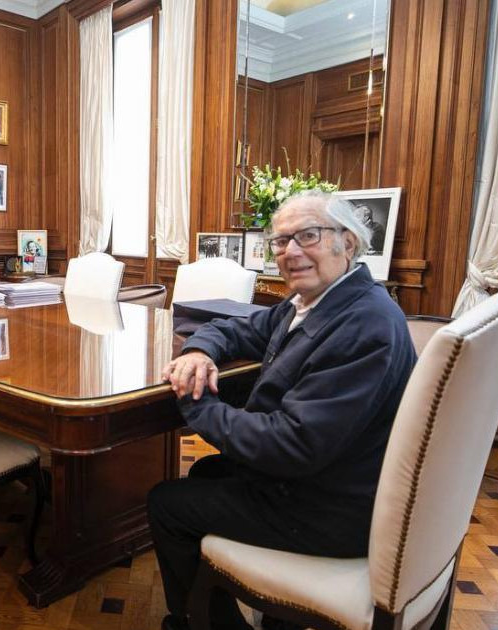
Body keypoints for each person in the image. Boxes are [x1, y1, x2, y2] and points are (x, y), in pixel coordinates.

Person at [148, 190, 416, 630]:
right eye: (280, 241)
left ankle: (197, 622)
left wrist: (193, 398)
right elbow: (233, 328)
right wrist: (198, 352)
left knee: (166, 502)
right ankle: (259, 616)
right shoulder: (319, 303)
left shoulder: (364, 324)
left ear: (347, 243)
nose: (290, 252)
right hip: (328, 480)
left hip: (332, 510)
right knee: (204, 475)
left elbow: (291, 444)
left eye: (307, 236)